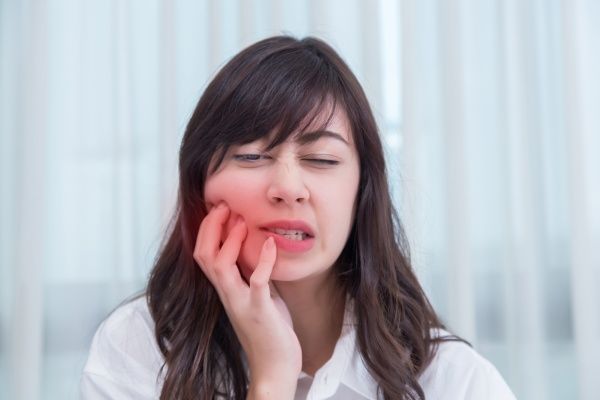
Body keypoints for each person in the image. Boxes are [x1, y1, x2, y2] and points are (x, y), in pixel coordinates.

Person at [80, 36, 516, 400]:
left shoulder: (455, 382)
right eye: (251, 155)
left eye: (322, 160)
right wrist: (271, 377)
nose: (288, 187)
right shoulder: (136, 348)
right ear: (200, 188)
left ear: (363, 192)